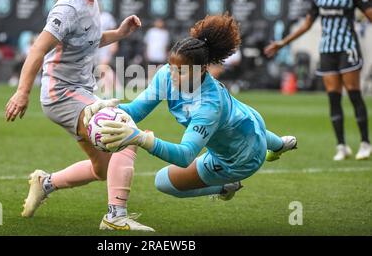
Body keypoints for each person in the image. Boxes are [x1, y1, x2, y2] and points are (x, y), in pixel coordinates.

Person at [5, 0, 154, 231]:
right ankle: (115, 218)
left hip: (80, 93)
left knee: (103, 168)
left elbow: (89, 41)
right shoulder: (69, 7)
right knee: (124, 132)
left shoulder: (90, 1)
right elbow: (37, 49)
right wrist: (22, 92)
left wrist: (119, 33)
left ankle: (44, 183)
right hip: (61, 95)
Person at [87, 14, 297, 203]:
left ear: (203, 69)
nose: (173, 76)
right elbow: (137, 110)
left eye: (182, 71)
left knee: (162, 182)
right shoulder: (166, 76)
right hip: (249, 121)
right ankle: (279, 145)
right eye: (171, 67)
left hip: (240, 159)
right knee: (245, 130)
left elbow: (185, 155)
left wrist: (141, 138)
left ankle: (226, 185)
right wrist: (106, 107)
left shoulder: (208, 106)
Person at [264, 0, 372, 161]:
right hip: (327, 51)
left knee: (354, 95)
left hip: (348, 49)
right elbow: (306, 25)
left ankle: (365, 143)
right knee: (333, 98)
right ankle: (341, 146)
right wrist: (282, 43)